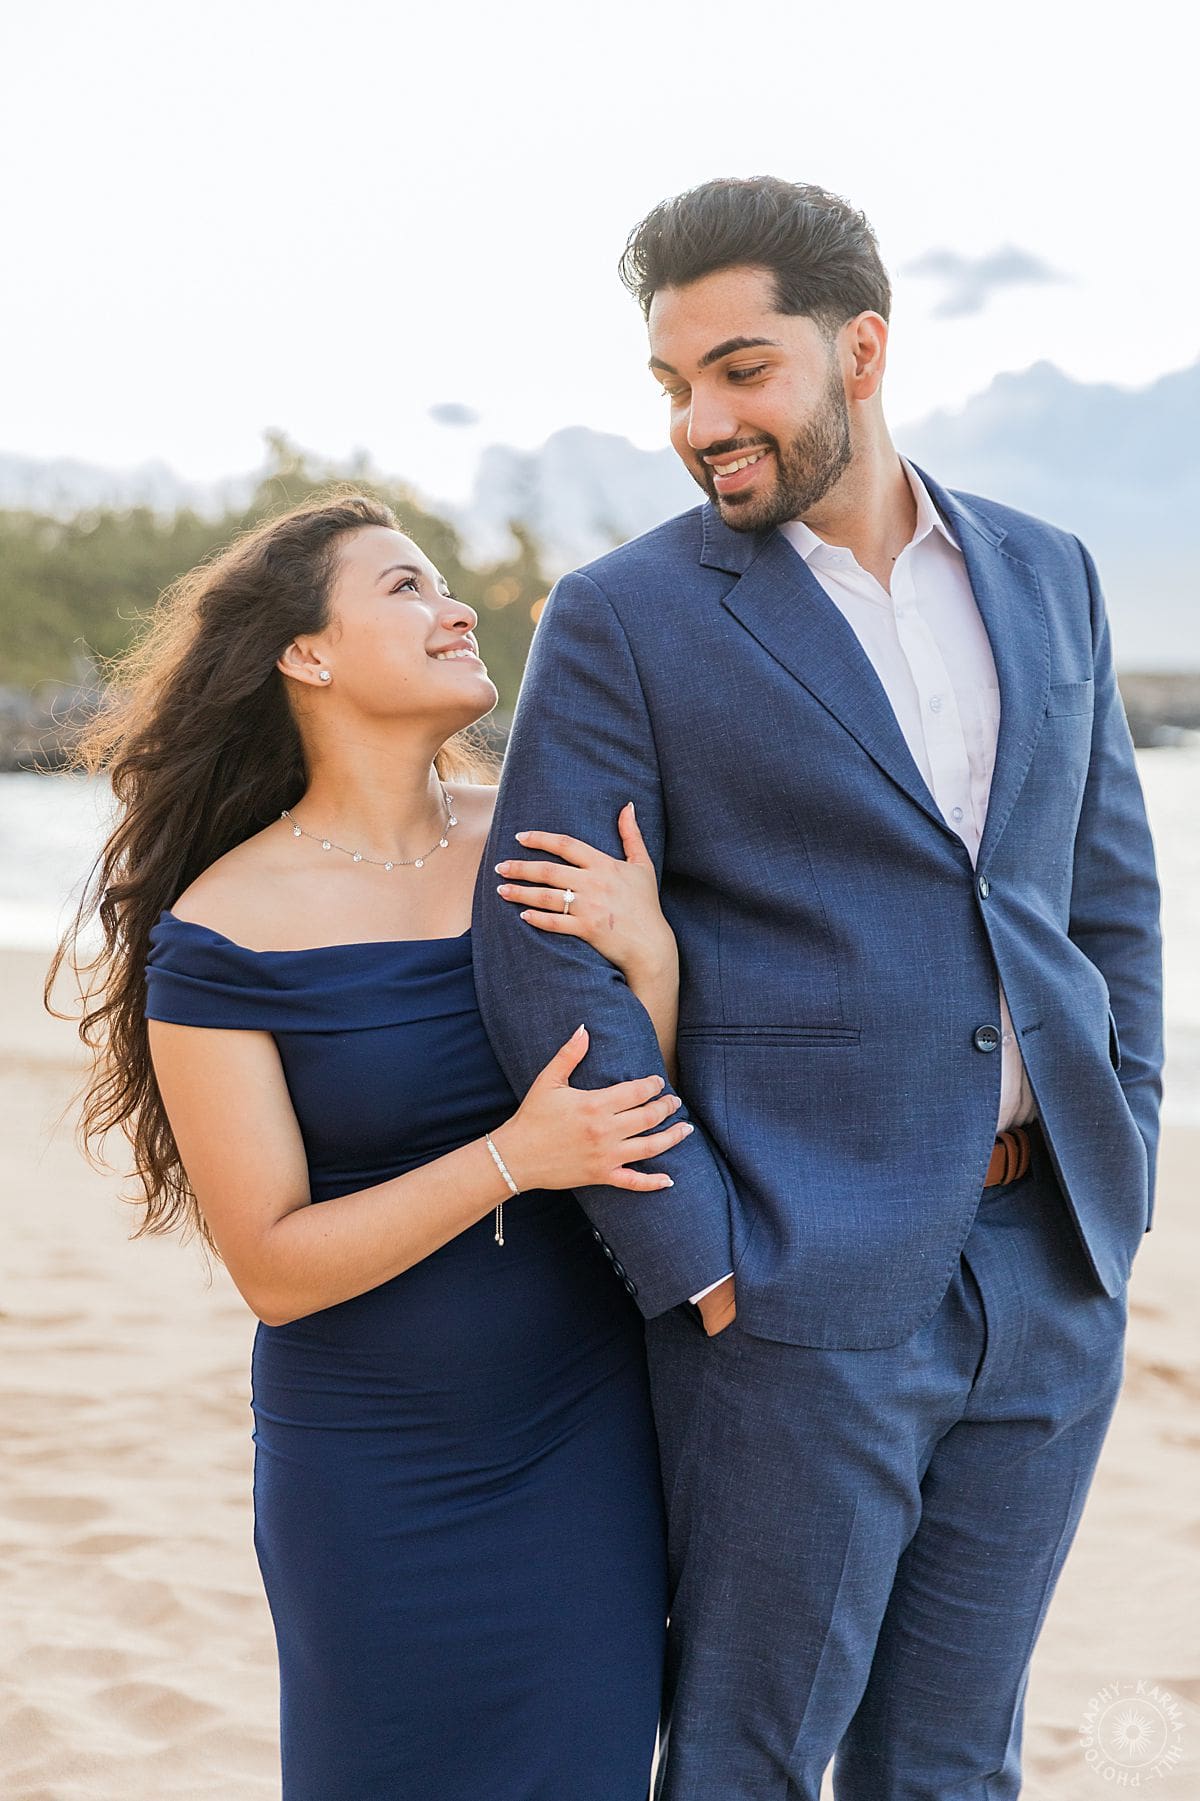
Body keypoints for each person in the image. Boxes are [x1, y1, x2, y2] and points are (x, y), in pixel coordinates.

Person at [474, 177, 1164, 1799]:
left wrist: (1117, 1161)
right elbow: (545, 954)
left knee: (953, 1767)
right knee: (749, 1763)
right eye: (673, 385)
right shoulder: (625, 615)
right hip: (790, 1286)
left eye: (739, 370)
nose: (701, 421)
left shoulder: (1048, 570)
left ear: (861, 349)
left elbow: (1106, 904)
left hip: (1049, 1269)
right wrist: (703, 1255)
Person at [52, 492, 686, 1800]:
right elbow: (274, 1265)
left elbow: (640, 1119)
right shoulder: (221, 931)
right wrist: (512, 1158)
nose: (455, 605)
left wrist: (654, 957)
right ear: (308, 653)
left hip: (584, 1441)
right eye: (405, 585)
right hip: (372, 1472)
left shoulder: (539, 835)